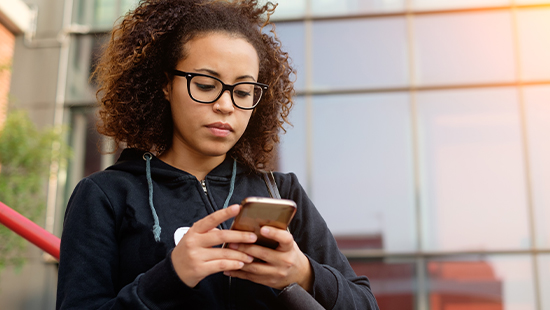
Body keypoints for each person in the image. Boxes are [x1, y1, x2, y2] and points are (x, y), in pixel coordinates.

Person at [56, 0, 380, 309]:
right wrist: (172, 275)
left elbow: (364, 303)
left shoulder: (282, 192)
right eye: (207, 85)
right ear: (166, 85)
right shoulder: (105, 195)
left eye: (242, 92)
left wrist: (302, 272)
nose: (225, 105)